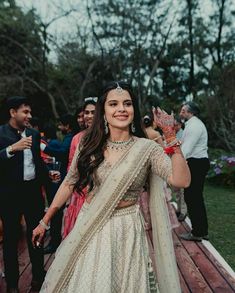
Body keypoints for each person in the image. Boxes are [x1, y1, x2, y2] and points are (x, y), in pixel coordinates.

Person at [32, 81, 190, 293]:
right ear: (103, 111)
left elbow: (181, 181)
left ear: (134, 108)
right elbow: (69, 182)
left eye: (127, 103)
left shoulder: (147, 148)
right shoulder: (88, 144)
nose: (121, 109)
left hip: (126, 229)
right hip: (90, 226)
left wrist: (171, 138)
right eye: (113, 104)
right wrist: (45, 220)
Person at [0, 96, 49, 292]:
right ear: (13, 113)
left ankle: (38, 277)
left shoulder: (34, 134)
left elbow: (37, 162)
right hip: (10, 196)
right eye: (25, 112)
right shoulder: (1, 134)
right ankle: (12, 285)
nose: (29, 115)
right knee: (11, 241)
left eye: (30, 112)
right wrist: (13, 148)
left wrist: (49, 177)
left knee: (36, 236)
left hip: (33, 194)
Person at [62, 97, 97, 239]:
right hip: (81, 191)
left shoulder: (109, 136)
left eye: (93, 112)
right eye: (86, 113)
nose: (89, 116)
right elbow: (71, 165)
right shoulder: (77, 138)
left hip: (100, 191)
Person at [41, 114, 75, 254]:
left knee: (57, 212)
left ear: (67, 126)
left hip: (66, 179)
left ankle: (55, 242)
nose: (60, 128)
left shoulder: (69, 137)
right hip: (64, 177)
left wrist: (42, 147)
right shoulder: (69, 137)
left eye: (61, 125)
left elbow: (62, 154)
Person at [179, 101, 210, 241]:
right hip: (196, 163)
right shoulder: (192, 124)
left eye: (183, 110)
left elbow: (186, 149)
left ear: (190, 112)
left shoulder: (194, 126)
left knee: (193, 197)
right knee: (194, 197)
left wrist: (176, 163)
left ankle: (198, 232)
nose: (181, 112)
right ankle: (201, 231)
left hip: (196, 163)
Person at [173, 116, 187, 222]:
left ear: (180, 124)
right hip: (175, 163)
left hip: (182, 163)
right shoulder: (173, 134)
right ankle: (178, 209)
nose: (174, 126)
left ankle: (183, 212)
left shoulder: (183, 134)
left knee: (182, 190)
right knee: (176, 188)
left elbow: (178, 147)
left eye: (176, 124)